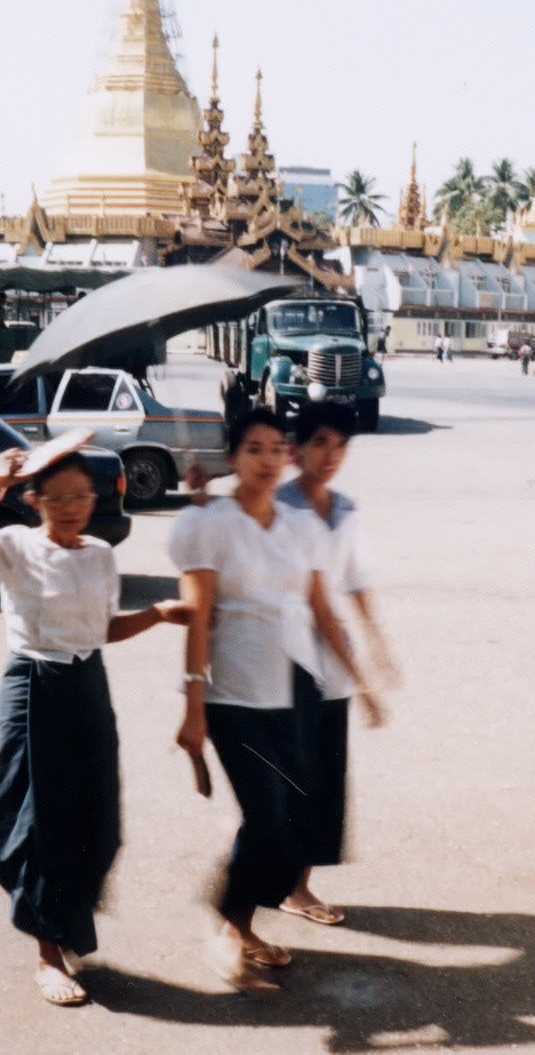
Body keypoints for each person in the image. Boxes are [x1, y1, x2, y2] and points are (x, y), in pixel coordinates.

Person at [0, 449, 189, 1007]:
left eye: (82, 496)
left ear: (97, 499)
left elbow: (102, 631)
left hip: (88, 684)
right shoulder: (16, 547)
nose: (72, 508)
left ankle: (66, 922)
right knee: (41, 820)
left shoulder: (98, 555)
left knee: (97, 817)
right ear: (34, 501)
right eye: (58, 497)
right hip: (34, 685)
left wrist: (159, 615)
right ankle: (47, 955)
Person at [169, 408, 374, 993]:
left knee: (297, 819)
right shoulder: (208, 523)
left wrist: (359, 677)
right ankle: (230, 924)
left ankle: (239, 920)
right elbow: (198, 616)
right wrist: (192, 705)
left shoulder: (298, 524)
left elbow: (320, 606)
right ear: (232, 458)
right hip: (236, 697)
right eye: (252, 448)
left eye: (275, 449)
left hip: (297, 688)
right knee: (266, 813)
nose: (267, 459)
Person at [273, 403, 393, 931]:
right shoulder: (275, 507)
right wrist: (366, 680)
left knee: (321, 776)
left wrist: (377, 640)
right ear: (296, 449)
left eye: (340, 444)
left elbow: (355, 578)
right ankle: (283, 887)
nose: (331, 455)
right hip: (282, 659)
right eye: (320, 442)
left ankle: (293, 885)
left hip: (330, 661)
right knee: (287, 778)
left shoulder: (344, 509)